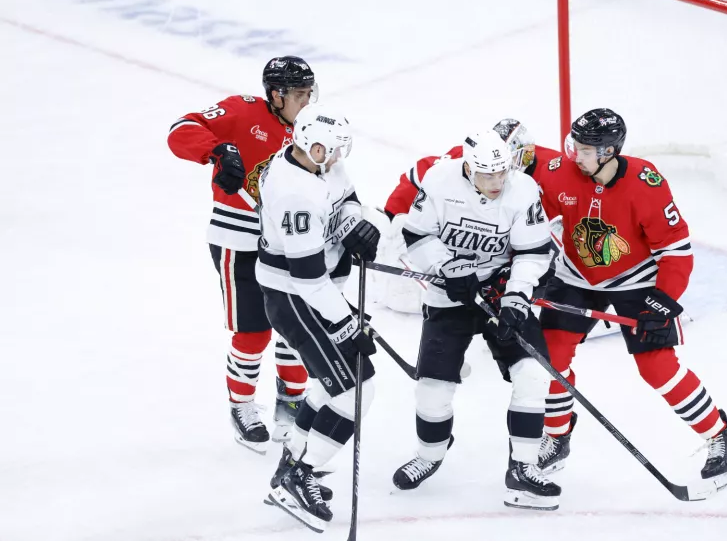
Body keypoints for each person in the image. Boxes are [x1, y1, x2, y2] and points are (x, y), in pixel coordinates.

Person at [534, 108, 727, 491]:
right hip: (576, 274)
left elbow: (676, 249)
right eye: (573, 145)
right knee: (549, 357)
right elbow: (525, 213)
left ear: (609, 152)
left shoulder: (645, 183)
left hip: (637, 279)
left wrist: (663, 300)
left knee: (657, 367)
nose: (574, 155)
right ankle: (557, 436)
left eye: (584, 150)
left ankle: (720, 436)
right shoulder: (558, 172)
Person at [390, 129, 561, 510]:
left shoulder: (523, 190)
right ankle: (429, 454)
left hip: (500, 293)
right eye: (487, 174)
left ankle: (523, 467)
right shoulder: (439, 179)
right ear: (468, 168)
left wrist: (516, 295)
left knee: (534, 374)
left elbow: (533, 252)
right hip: (448, 295)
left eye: (502, 172)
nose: (497, 182)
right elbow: (416, 234)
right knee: (432, 389)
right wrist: (447, 266)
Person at [166, 56, 315, 452]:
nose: (307, 102)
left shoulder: (309, 128)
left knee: (296, 327)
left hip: (288, 243)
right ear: (276, 94)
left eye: (309, 93)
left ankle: (292, 402)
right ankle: (242, 406)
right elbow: (182, 129)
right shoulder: (243, 110)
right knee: (253, 331)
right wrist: (216, 151)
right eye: (300, 94)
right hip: (238, 241)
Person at [255, 103, 380, 532]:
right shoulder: (294, 194)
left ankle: (292, 464)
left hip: (315, 294)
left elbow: (348, 199)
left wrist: (354, 226)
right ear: (314, 145)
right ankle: (300, 476)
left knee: (333, 385)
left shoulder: (317, 162)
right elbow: (307, 278)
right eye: (335, 149)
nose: (340, 157)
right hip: (295, 298)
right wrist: (348, 323)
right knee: (356, 389)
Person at [376, 119, 562, 315]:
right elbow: (419, 176)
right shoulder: (469, 160)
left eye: (518, 160)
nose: (502, 171)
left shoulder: (552, 170)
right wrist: (392, 214)